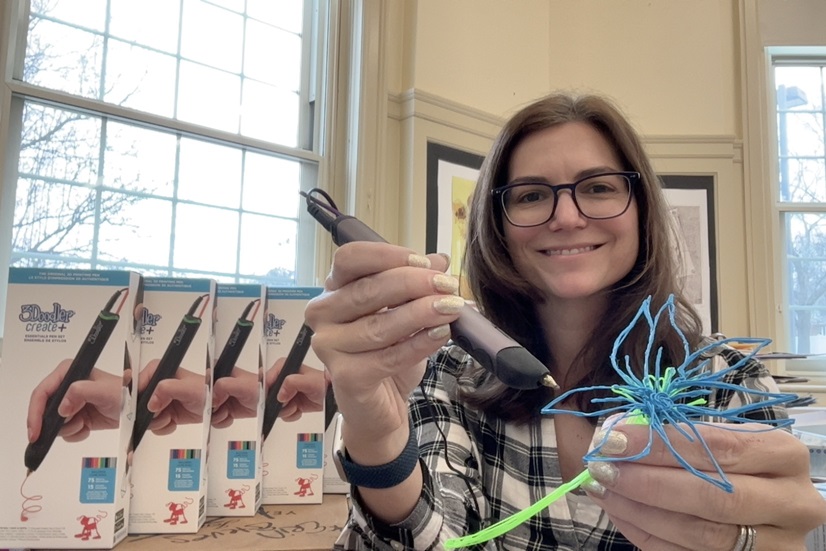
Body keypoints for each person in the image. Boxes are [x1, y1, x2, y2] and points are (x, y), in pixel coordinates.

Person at [303, 92, 826, 550]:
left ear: (641, 208)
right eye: (531, 195)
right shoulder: (440, 374)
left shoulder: (729, 383)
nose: (567, 216)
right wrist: (376, 438)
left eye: (598, 187)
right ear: (497, 226)